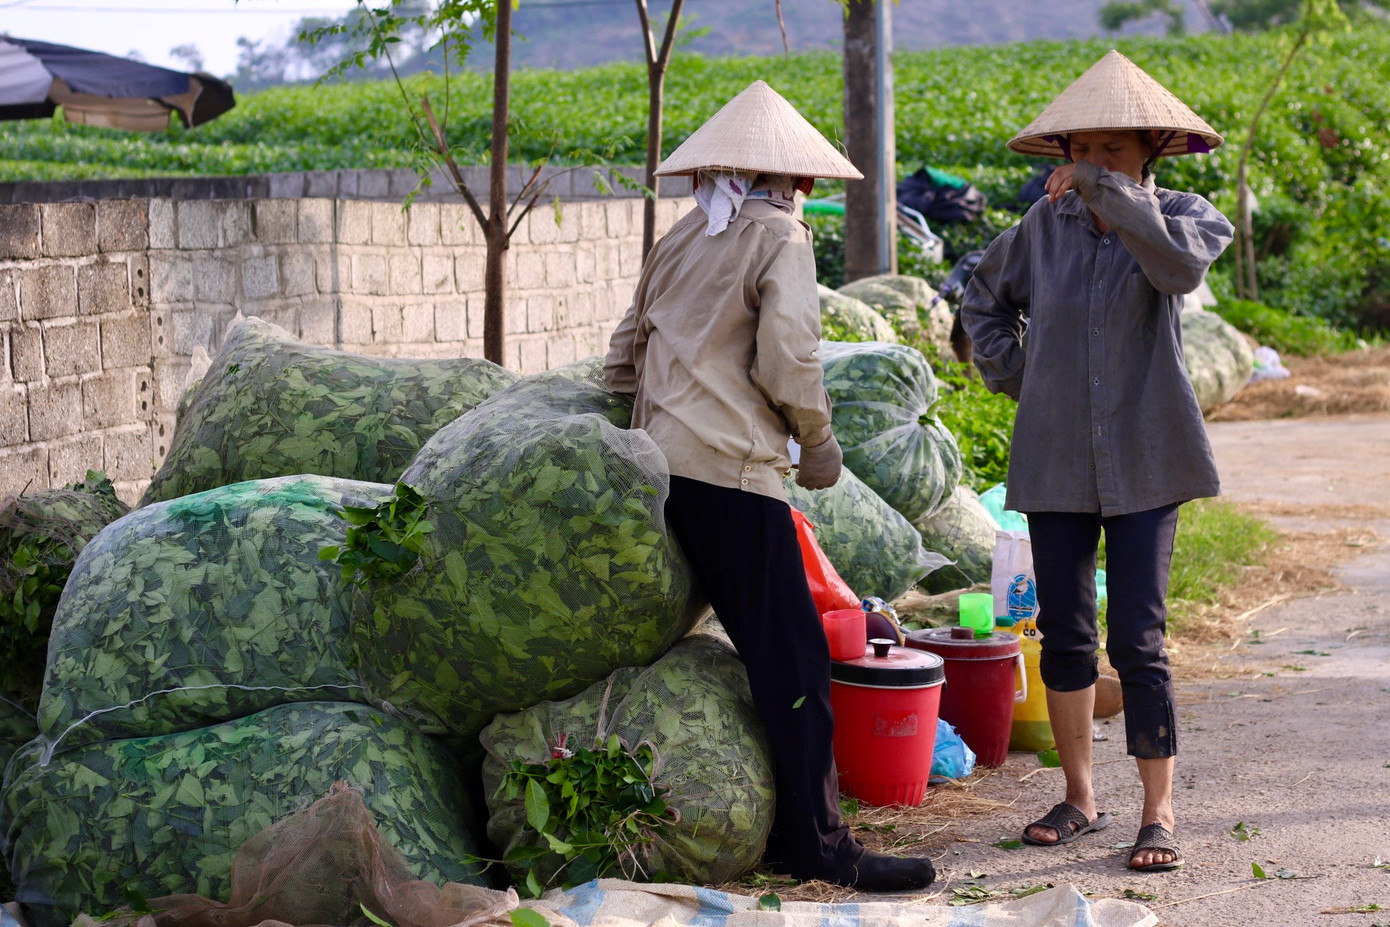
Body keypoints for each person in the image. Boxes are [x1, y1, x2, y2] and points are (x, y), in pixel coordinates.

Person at [603, 80, 935, 893]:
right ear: (800, 184)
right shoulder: (781, 238)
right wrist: (817, 443)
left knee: (765, 648)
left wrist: (641, 425)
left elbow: (622, 354)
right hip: (733, 471)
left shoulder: (682, 238)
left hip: (663, 467)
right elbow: (788, 359)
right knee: (794, 665)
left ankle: (796, 828)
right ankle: (820, 846)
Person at [960, 50, 1234, 873]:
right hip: (1056, 458)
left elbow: (1178, 269)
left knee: (1139, 640)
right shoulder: (1040, 229)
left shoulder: (1186, 215)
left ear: (1149, 152)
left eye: (1112, 151)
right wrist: (1023, 380)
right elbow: (983, 300)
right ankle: (1080, 796)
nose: (1093, 164)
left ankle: (1159, 810)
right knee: (1068, 635)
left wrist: (1113, 194)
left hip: (1150, 453)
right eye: (1083, 150)